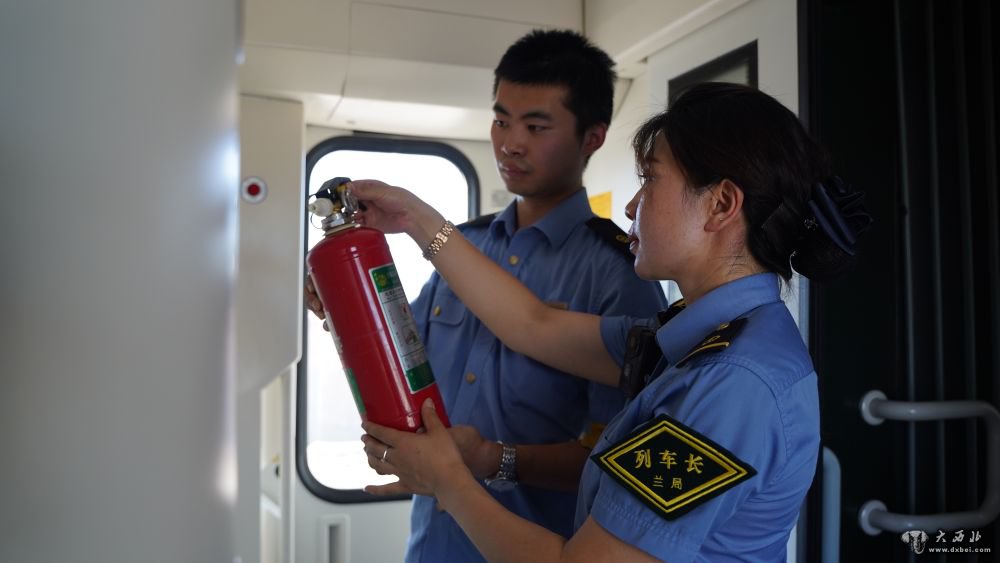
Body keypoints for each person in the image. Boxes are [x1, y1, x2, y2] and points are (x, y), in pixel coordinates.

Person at [352, 82, 872, 561]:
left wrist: (448, 481)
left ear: (720, 205)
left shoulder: (730, 384)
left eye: (650, 180)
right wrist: (418, 221)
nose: (631, 205)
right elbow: (531, 325)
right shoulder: (693, 341)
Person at [305, 29, 667, 562]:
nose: (510, 143)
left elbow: (615, 459)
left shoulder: (619, 273)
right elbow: (405, 364)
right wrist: (342, 311)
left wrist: (492, 461)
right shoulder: (461, 248)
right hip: (434, 545)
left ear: (592, 137)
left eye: (536, 126)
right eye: (500, 120)